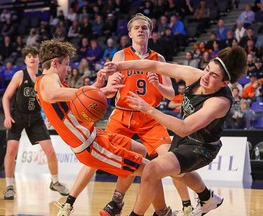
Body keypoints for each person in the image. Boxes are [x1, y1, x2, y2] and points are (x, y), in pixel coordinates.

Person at [103, 45, 247, 216]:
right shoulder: (196, 76)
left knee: (151, 169)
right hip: (185, 138)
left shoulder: (219, 102)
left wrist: (148, 109)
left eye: (214, 75)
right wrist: (119, 66)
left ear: (225, 83)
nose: (206, 76)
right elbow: (156, 66)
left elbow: (184, 127)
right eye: (207, 69)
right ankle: (207, 197)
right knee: (178, 172)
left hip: (201, 147)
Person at [34, 39, 169, 216]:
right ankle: (162, 212)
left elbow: (75, 101)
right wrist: (95, 91)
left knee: (140, 149)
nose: (68, 69)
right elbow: (53, 94)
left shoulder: (47, 82)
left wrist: (98, 89)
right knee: (152, 170)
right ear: (54, 63)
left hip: (96, 135)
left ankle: (117, 201)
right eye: (66, 64)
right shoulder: (48, 79)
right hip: (91, 146)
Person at [100, 13, 193, 216]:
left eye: (144, 27)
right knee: (121, 156)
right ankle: (116, 201)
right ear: (130, 32)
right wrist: (110, 82)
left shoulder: (158, 59)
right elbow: (110, 87)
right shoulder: (121, 56)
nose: (141, 30)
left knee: (171, 157)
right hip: (123, 114)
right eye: (137, 27)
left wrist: (157, 84)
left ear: (150, 32)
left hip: (150, 116)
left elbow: (170, 94)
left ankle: (186, 205)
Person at [2, 46, 69, 200]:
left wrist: (51, 118)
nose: (32, 58)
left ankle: (55, 182)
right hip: (18, 117)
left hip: (36, 117)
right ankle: (9, 186)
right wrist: (7, 116)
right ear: (25, 60)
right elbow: (6, 97)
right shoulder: (20, 75)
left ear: (39, 59)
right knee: (11, 150)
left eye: (35, 56)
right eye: (29, 56)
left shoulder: (43, 77)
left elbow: (49, 100)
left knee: (50, 151)